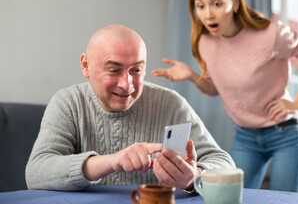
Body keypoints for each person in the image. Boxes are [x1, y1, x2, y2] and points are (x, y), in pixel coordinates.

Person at [152, 0, 298, 192]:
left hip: (286, 134)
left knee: (283, 200)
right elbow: (215, 88)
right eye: (201, 5)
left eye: (217, 3)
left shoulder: (272, 34)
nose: (208, 14)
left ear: (235, 2)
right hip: (246, 136)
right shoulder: (205, 42)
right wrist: (191, 75)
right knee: (232, 197)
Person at [25, 24, 235, 192]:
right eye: (114, 70)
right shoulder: (68, 103)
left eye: (137, 70)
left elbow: (224, 163)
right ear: (85, 66)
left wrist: (194, 177)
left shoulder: (170, 104)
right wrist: (111, 161)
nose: (127, 84)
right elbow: (36, 173)